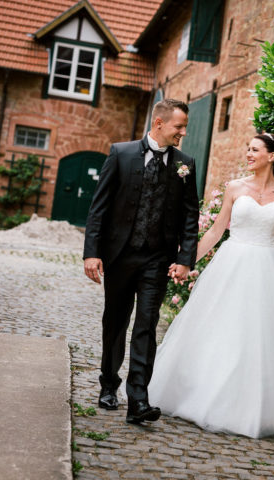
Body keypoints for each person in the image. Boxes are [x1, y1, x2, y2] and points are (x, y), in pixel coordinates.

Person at [147, 132, 274, 439]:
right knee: (221, 330)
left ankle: (253, 408)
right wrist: (187, 262)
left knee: (261, 338)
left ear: (271, 156)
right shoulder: (234, 187)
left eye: (254, 149)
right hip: (232, 265)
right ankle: (204, 395)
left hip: (269, 270)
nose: (248, 153)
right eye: (247, 149)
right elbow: (216, 232)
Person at [83, 98, 199, 424]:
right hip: (120, 256)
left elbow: (191, 216)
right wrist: (92, 252)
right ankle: (109, 384)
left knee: (146, 326)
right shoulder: (120, 154)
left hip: (157, 260)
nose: (183, 133)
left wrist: (185, 259)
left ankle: (138, 401)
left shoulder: (184, 163)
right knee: (115, 322)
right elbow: (99, 208)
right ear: (160, 123)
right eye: (179, 126)